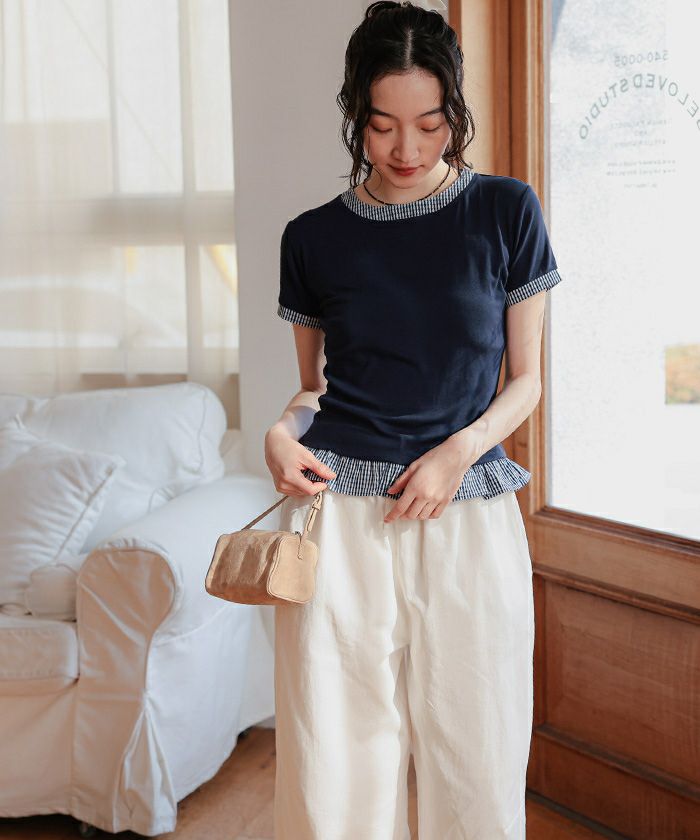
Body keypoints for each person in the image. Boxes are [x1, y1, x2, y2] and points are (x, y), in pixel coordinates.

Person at [264, 2, 563, 838]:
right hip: (337, 522)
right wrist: (279, 435)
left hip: (466, 515)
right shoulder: (312, 238)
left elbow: (527, 381)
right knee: (334, 767)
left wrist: (457, 453)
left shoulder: (505, 212)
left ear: (454, 112)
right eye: (382, 126)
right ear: (354, 113)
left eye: (430, 125)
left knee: (478, 755)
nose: (406, 149)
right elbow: (313, 391)